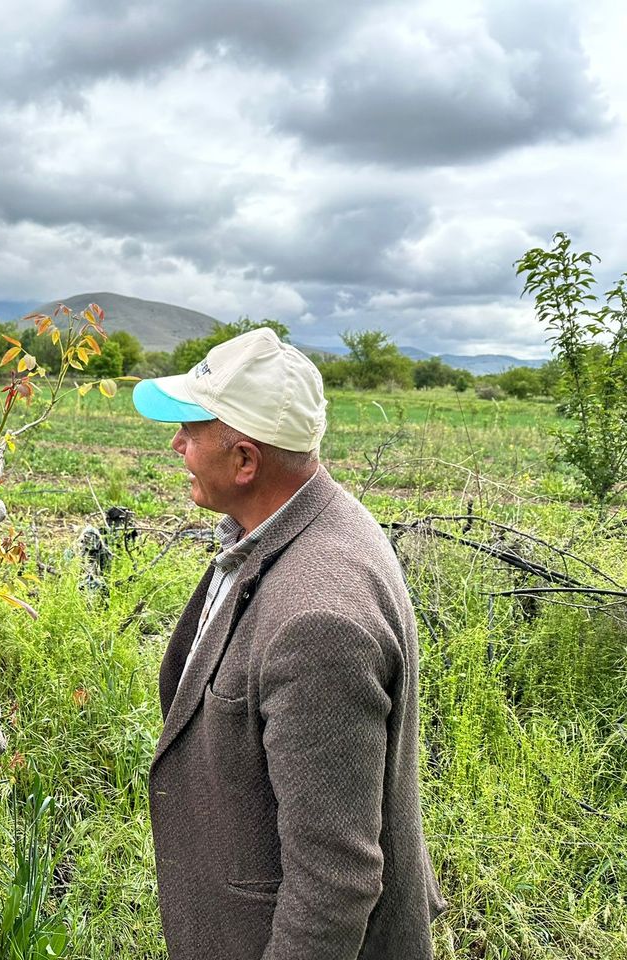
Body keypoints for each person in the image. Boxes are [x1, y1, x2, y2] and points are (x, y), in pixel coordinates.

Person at [132, 327, 445, 960]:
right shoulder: (288, 522)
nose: (177, 444)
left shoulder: (318, 624)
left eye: (192, 429)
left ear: (245, 462)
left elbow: (334, 881)